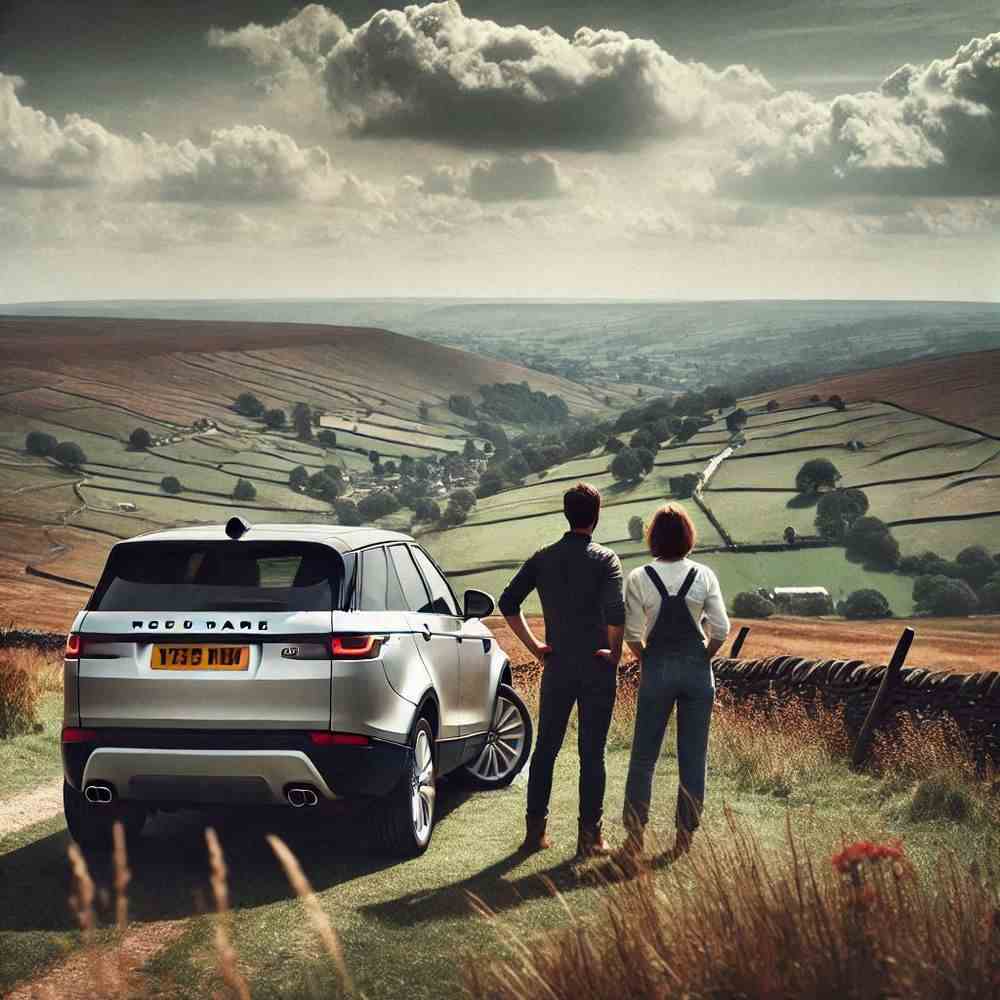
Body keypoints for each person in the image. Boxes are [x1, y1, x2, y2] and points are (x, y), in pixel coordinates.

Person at [498, 482, 625, 858]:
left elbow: (508, 603)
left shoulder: (543, 557)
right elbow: (616, 613)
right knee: (592, 753)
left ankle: (534, 834)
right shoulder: (606, 560)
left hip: (557, 667)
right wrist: (615, 652)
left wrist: (536, 646)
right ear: (596, 514)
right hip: (597, 668)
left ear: (567, 514)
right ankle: (591, 839)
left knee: (545, 750)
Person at [620, 503, 730, 861]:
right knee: (693, 756)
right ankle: (685, 837)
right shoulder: (704, 575)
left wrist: (646, 658)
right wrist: (703, 657)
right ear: (687, 537)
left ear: (653, 537)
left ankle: (635, 836)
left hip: (657, 668)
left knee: (644, 756)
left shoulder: (638, 577)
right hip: (697, 671)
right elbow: (722, 629)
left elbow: (632, 634)